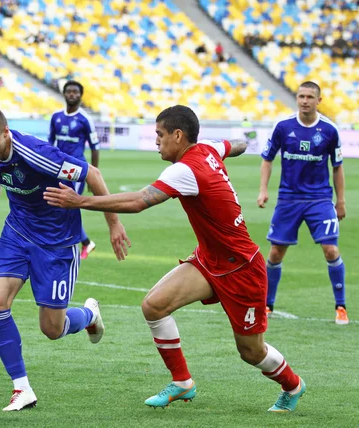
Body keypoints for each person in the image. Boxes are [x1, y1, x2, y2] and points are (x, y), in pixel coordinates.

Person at [44, 105, 305, 413]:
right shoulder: (207, 149)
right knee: (154, 305)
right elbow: (239, 144)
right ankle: (182, 382)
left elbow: (140, 200)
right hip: (209, 260)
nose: (156, 141)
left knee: (250, 351)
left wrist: (80, 201)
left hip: (242, 268)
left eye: (160, 135)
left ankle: (293, 384)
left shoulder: (184, 169)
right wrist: (231, 149)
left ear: (178, 136)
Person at [0, 103, 130, 411]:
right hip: (17, 233)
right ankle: (22, 388)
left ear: (5, 133)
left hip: (57, 243)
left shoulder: (38, 155)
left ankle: (89, 315)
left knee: (52, 329)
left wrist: (114, 224)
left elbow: (92, 174)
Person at [257, 81, 347, 325]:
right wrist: (263, 190)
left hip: (320, 199)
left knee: (331, 250)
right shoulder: (283, 126)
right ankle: (267, 305)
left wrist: (340, 201)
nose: (304, 100)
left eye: (309, 97)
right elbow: (267, 159)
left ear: (319, 100)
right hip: (288, 199)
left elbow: (337, 167)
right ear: (296, 99)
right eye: (301, 96)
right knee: (275, 253)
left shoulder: (330, 130)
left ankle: (341, 306)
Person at [48, 80, 100, 259]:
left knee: (70, 206)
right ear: (64, 94)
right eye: (68, 91)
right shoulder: (56, 117)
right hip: (58, 167)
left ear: (80, 95)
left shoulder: (85, 119)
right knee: (57, 205)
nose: (72, 94)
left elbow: (95, 147)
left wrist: (93, 176)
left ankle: (79, 243)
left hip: (76, 170)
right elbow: (50, 143)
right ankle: (83, 242)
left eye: (75, 92)